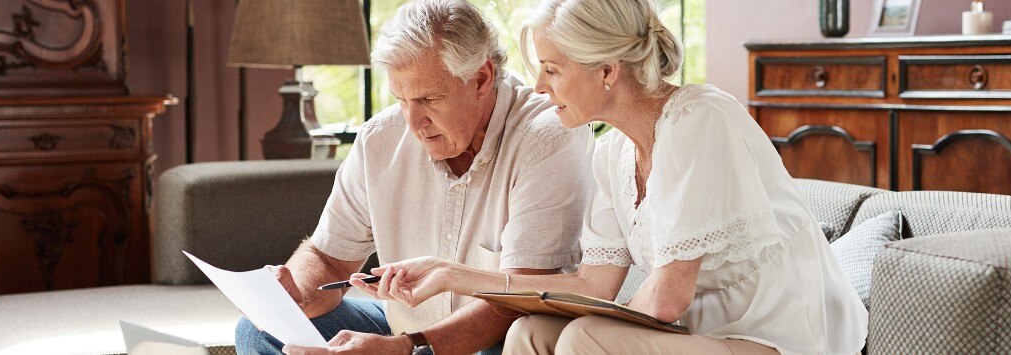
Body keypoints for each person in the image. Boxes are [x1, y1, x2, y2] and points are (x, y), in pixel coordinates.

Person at [368, 0, 870, 354]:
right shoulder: (611, 153)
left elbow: (668, 299)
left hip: (784, 338)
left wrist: (590, 324)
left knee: (584, 339)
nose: (539, 87)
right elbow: (592, 283)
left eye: (552, 69)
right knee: (529, 333)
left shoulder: (700, 118)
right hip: (706, 336)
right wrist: (454, 273)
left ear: (607, 70)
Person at [236, 1, 594, 354]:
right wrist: (295, 297)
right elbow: (329, 259)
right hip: (407, 329)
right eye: (402, 99)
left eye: (428, 98)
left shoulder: (548, 136)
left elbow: (518, 297)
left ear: (481, 78)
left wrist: (407, 348)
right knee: (261, 331)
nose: (412, 123)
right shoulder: (381, 138)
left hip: (501, 335)